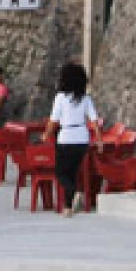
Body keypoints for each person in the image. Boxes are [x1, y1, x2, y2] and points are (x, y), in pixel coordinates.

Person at [45, 61, 101, 218]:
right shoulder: (85, 98)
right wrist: (99, 139)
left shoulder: (61, 98)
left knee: (61, 173)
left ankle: (76, 192)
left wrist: (46, 135)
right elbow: (94, 120)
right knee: (72, 172)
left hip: (66, 137)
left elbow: (53, 121)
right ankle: (68, 207)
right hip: (82, 138)